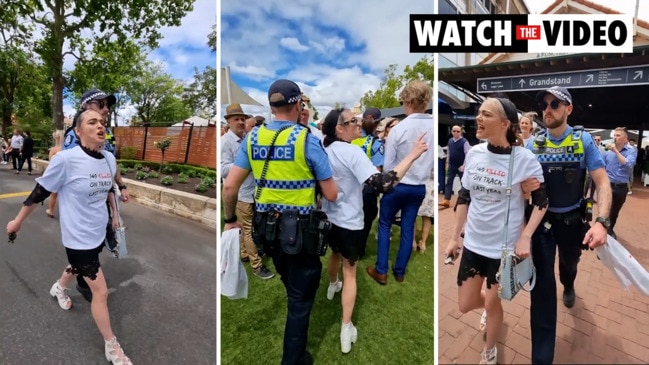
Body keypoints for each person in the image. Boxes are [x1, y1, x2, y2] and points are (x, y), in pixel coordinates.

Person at [222, 79, 337, 365]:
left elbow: (229, 187)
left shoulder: (252, 137)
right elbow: (332, 193)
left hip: (266, 230)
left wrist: (230, 219)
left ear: (272, 107)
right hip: (299, 232)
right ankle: (293, 360)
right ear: (299, 105)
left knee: (291, 285)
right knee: (300, 301)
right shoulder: (307, 139)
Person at [6, 110, 132, 364]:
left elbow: (109, 190)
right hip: (77, 237)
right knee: (101, 291)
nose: (100, 126)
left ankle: (59, 287)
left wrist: (115, 216)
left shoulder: (108, 158)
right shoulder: (65, 159)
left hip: (98, 231)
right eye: (92, 122)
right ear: (77, 131)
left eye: (102, 123)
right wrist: (17, 222)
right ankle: (111, 345)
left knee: (79, 268)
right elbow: (40, 192)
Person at [444, 97, 548, 365]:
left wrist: (526, 236)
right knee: (465, 304)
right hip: (474, 244)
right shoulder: (475, 153)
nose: (478, 118)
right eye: (479, 113)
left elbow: (542, 202)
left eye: (486, 114)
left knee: (492, 304)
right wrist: (454, 237)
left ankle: (489, 349)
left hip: (503, 250)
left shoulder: (524, 159)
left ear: (505, 123)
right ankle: (491, 308)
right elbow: (464, 198)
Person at [320, 107, 427, 353]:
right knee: (351, 271)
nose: (358, 123)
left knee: (335, 254)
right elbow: (382, 184)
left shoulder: (326, 150)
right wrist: (411, 155)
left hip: (330, 218)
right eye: (352, 120)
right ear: (339, 128)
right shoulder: (351, 152)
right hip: (349, 221)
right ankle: (346, 327)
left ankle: (331, 285)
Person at [522, 86, 611, 364]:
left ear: (568, 109)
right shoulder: (532, 145)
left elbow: (603, 182)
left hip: (572, 222)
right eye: (544, 105)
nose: (547, 109)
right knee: (542, 290)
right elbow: (518, 188)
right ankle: (542, 358)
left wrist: (602, 222)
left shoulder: (583, 140)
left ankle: (569, 283)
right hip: (541, 224)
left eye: (555, 104)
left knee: (568, 267)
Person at [63, 88, 130, 303]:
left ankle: (64, 282)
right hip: (83, 204)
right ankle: (84, 282)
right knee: (86, 245)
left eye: (107, 104)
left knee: (98, 242)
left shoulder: (106, 131)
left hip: (102, 197)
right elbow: (69, 168)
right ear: (86, 107)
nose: (106, 108)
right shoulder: (75, 134)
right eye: (101, 104)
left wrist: (121, 184)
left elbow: (110, 161)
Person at [367, 79, 435, 285]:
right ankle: (399, 271)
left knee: (385, 224)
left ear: (408, 101)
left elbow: (388, 167)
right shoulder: (433, 125)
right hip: (419, 187)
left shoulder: (399, 128)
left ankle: (381, 270)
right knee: (408, 227)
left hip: (398, 185)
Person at [221, 103, 274, 279]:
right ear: (228, 121)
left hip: (252, 192)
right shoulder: (225, 142)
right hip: (242, 194)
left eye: (243, 119)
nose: (241, 122)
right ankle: (256, 265)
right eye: (236, 119)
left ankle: (244, 254)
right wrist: (244, 165)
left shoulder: (246, 139)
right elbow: (222, 169)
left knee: (247, 229)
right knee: (249, 230)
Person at [350, 107, 385, 256]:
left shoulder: (351, 139)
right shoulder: (376, 143)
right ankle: (359, 250)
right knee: (366, 219)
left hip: (350, 186)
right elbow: (377, 170)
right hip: (368, 188)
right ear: (377, 124)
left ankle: (349, 247)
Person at [603, 127, 637, 239]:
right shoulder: (607, 151)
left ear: (625, 138)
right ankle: (604, 232)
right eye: (615, 135)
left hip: (621, 187)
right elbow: (601, 166)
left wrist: (616, 151)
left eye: (618, 135)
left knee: (615, 212)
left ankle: (610, 229)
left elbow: (628, 164)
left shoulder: (631, 150)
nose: (615, 137)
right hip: (608, 186)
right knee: (606, 211)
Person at [440, 125, 470, 208]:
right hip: (452, 165)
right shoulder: (450, 141)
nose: (455, 133)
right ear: (451, 131)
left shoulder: (464, 142)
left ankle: (467, 199)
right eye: (454, 131)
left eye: (458, 131)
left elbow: (467, 154)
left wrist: (464, 165)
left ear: (461, 132)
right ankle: (447, 200)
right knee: (449, 182)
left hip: (461, 166)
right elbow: (449, 152)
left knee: (463, 183)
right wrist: (447, 162)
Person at [415, 167, 434, 253]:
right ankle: (423, 243)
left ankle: (412, 242)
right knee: (426, 216)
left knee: (412, 213)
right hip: (431, 185)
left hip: (419, 182)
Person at [46, 130, 64, 218]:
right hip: (66, 173)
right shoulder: (67, 149)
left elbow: (50, 163)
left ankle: (51, 210)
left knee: (54, 193)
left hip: (56, 173)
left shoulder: (53, 150)